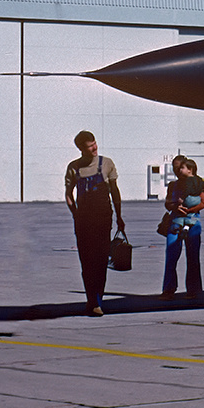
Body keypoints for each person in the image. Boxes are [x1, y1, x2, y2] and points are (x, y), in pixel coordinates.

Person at [64, 130, 125, 316]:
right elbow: (68, 194)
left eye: (95, 143)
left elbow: (114, 191)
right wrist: (75, 214)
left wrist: (119, 217)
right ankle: (91, 299)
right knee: (86, 262)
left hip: (103, 219)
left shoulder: (106, 164)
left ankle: (97, 300)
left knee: (100, 261)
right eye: (90, 146)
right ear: (81, 149)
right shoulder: (74, 167)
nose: (94, 148)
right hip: (83, 221)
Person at [162, 156, 204, 298]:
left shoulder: (197, 184)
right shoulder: (173, 185)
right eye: (174, 167)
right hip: (175, 221)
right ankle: (168, 289)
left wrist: (190, 210)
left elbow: (203, 202)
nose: (176, 170)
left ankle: (193, 290)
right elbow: (167, 203)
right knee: (171, 256)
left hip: (192, 222)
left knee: (193, 257)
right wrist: (175, 206)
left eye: (179, 167)